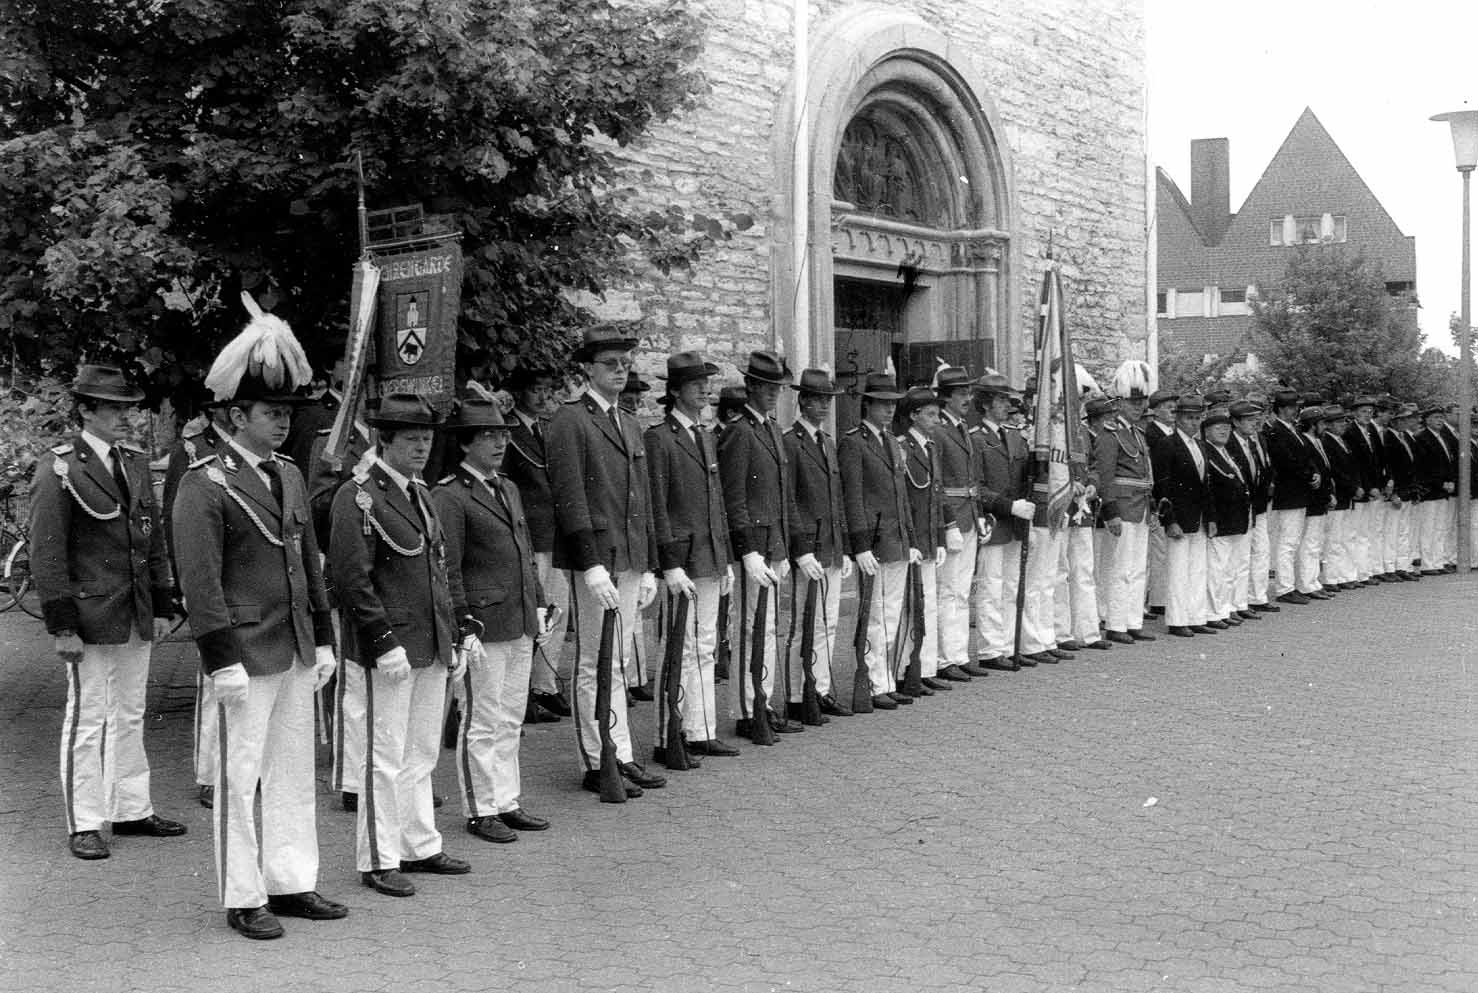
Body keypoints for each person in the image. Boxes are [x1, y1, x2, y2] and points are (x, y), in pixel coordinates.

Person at [173, 299, 345, 939]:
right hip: (244, 651)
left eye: (286, 414)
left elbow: (307, 564)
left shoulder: (291, 475)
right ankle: (244, 896)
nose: (283, 423)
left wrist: (322, 638)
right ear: (236, 416)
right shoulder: (204, 483)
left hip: (294, 646)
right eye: (271, 413)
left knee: (293, 773)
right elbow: (200, 583)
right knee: (238, 778)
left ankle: (291, 881)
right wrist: (220, 660)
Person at [30, 365, 184, 863]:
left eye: (127, 408)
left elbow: (151, 539)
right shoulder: (60, 468)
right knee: (88, 717)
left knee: (131, 710)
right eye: (114, 408)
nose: (125, 417)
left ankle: (130, 808)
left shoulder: (133, 462)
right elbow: (46, 552)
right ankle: (85, 821)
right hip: (89, 614)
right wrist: (62, 624)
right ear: (85, 411)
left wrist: (162, 603)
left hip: (135, 610)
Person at [329, 394, 468, 897]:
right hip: (388, 647)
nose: (421, 448)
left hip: (429, 641)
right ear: (384, 440)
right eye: (411, 439)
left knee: (421, 751)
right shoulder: (358, 496)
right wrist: (382, 641)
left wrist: (456, 633)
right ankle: (378, 858)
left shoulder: (419, 493)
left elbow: (438, 570)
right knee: (382, 756)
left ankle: (418, 843)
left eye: (426, 439)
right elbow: (352, 579)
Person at [546, 324, 667, 800]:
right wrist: (589, 562)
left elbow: (643, 498)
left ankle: (620, 751)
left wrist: (650, 563)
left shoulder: (629, 422)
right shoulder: (571, 420)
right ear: (587, 369)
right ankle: (597, 760)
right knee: (594, 660)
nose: (620, 371)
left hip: (630, 555)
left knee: (618, 659)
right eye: (610, 364)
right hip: (598, 559)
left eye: (625, 364)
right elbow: (570, 496)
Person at [433, 395, 550, 843]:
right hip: (483, 624)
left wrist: (539, 602)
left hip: (518, 618)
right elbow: (449, 567)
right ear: (465, 443)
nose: (500, 443)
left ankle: (505, 800)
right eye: (488, 436)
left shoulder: (507, 487)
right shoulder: (450, 495)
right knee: (480, 719)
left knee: (509, 716)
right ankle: (480, 808)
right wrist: (462, 623)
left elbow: (524, 551)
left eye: (502, 434)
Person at [644, 352, 735, 766]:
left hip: (710, 554)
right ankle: (669, 734)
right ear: (676, 390)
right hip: (682, 558)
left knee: (704, 646)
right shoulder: (660, 438)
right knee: (678, 646)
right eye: (696, 384)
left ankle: (700, 730)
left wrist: (725, 557)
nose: (705, 390)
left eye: (707, 384)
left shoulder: (706, 435)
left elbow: (717, 501)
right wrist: (668, 563)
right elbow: (657, 504)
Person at [718, 351, 804, 735]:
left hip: (773, 544)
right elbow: (733, 497)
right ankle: (745, 709)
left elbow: (781, 496)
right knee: (749, 627)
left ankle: (762, 701)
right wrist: (747, 550)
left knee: (767, 628)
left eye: (777, 387)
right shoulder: (739, 431)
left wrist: (786, 546)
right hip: (754, 546)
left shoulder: (770, 429)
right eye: (766, 386)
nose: (773, 393)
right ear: (750, 386)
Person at [161, 402, 233, 810]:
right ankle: (210, 774)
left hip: (247, 580)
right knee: (214, 675)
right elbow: (175, 519)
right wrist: (183, 584)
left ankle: (241, 767)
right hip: (208, 577)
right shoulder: (191, 450)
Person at [838, 371, 919, 706]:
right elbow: (853, 497)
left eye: (892, 405)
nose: (889, 410)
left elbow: (902, 496)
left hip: (896, 539)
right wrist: (859, 546)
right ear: (867, 405)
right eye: (883, 404)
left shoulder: (892, 443)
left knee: (891, 613)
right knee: (875, 614)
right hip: (873, 541)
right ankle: (872, 681)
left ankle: (885, 679)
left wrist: (911, 539)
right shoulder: (854, 442)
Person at [784, 368, 855, 716]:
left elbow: (837, 498)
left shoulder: (827, 442)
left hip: (831, 545)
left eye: (828, 400)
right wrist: (800, 550)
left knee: (828, 622)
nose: (824, 406)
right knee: (804, 623)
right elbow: (790, 502)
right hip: (809, 548)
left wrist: (846, 547)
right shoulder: (791, 442)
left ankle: (821, 689)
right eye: (817, 399)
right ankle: (798, 696)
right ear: (803, 401)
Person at [503, 366, 572, 723]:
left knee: (558, 612)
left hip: (556, 534)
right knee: (535, 614)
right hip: (531, 535)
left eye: (547, 389)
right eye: (536, 390)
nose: (544, 397)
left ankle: (545, 684)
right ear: (518, 393)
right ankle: (523, 693)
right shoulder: (509, 431)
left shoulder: (546, 429)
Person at [970, 374, 1035, 670]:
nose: (1006, 405)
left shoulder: (1015, 436)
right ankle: (990, 649)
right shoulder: (976, 438)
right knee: (991, 586)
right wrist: (1009, 506)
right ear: (985, 404)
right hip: (995, 520)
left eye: (1007, 400)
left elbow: (1024, 478)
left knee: (1011, 586)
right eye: (1000, 399)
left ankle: (1009, 644)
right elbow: (977, 487)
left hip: (1016, 521)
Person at [928, 366, 985, 681]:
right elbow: (938, 482)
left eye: (969, 393)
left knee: (962, 591)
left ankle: (958, 654)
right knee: (948, 590)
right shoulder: (938, 431)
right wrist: (947, 523)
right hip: (953, 516)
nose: (968, 398)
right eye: (961, 393)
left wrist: (980, 514)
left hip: (969, 514)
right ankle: (944, 657)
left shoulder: (962, 427)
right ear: (946, 398)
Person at [1096, 361, 1157, 646]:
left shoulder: (1138, 433)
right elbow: (1105, 475)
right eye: (1133, 401)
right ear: (1119, 402)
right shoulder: (1110, 433)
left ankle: (1133, 621)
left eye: (1142, 401)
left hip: (1140, 506)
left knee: (1137, 568)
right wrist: (1110, 511)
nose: (1139, 406)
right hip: (1122, 507)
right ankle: (1116, 623)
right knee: (1119, 568)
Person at [896, 386, 949, 691]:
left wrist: (940, 537)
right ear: (914, 415)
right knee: (910, 607)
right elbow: (904, 500)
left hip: (929, 536)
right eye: (930, 414)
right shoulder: (902, 447)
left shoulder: (930, 447)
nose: (936, 420)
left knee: (926, 605)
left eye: (937, 414)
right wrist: (911, 540)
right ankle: (904, 670)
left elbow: (936, 496)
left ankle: (925, 669)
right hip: (913, 538)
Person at [1153, 395, 1214, 638]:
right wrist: (1169, 520)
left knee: (1198, 570)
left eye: (1197, 418)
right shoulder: (1167, 444)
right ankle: (1177, 619)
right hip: (1179, 515)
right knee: (1178, 570)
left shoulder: (1201, 446)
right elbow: (1162, 486)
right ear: (1177, 419)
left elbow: (1206, 484)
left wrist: (1211, 518)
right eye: (1189, 418)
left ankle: (1196, 616)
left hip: (1199, 516)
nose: (1194, 422)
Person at [1200, 407, 1251, 629]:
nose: (1224, 431)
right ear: (1206, 431)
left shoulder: (1226, 452)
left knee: (1230, 568)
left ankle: (1226, 607)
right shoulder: (1206, 452)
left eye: (1227, 428)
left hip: (1236, 517)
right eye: (1218, 428)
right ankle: (1214, 612)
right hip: (1221, 517)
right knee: (1217, 569)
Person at [1264, 388, 1314, 605]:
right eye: (1292, 407)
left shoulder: (1291, 430)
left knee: (1293, 541)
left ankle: (1290, 584)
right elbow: (1286, 461)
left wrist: (1312, 473)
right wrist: (1308, 475)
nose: (1295, 411)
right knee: (1287, 541)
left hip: (1298, 490)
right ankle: (1285, 587)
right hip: (1289, 492)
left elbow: (1305, 456)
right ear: (1281, 409)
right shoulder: (1276, 431)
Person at [1227, 399, 1275, 617]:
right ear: (1236, 422)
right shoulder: (1230, 443)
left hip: (1259, 503)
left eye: (1255, 419)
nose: (1254, 423)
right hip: (1241, 506)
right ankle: (1237, 602)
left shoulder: (1253, 442)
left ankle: (1256, 597)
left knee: (1260, 551)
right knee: (1239, 556)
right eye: (1248, 419)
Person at [1143, 388, 1178, 619]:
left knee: (1164, 551)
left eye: (1174, 406)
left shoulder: (1171, 432)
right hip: (1158, 499)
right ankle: (1155, 599)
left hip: (1172, 497)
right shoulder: (1153, 434)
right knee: (1156, 551)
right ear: (1155, 411)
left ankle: (1160, 597)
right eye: (1167, 406)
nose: (1172, 410)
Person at [1294, 406, 1336, 600]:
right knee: (1309, 543)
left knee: (1315, 543)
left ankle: (1313, 581)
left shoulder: (1317, 442)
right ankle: (1306, 583)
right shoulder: (1305, 443)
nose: (1325, 426)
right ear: (1312, 425)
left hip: (1320, 498)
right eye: (1322, 423)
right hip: (1312, 499)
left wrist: (1329, 493)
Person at [1413, 404, 1457, 575]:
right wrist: (1440, 483)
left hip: (1443, 490)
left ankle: (1438, 561)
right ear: (1427, 420)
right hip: (1430, 490)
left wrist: (1450, 481)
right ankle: (1428, 563)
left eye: (1441, 417)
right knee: (1428, 528)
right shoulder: (1422, 438)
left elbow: (1449, 462)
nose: (1440, 420)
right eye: (1436, 417)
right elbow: (1424, 466)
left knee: (1440, 527)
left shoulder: (1443, 437)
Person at [1321, 406, 1360, 591]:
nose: (1342, 425)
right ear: (1328, 425)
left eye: (1344, 421)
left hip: (1347, 496)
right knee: (1333, 539)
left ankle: (1345, 575)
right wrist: (1352, 487)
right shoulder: (1327, 442)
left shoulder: (1342, 441)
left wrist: (1356, 486)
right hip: (1339, 494)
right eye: (1338, 422)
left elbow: (1352, 467)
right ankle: (1331, 577)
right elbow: (1335, 470)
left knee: (1345, 537)